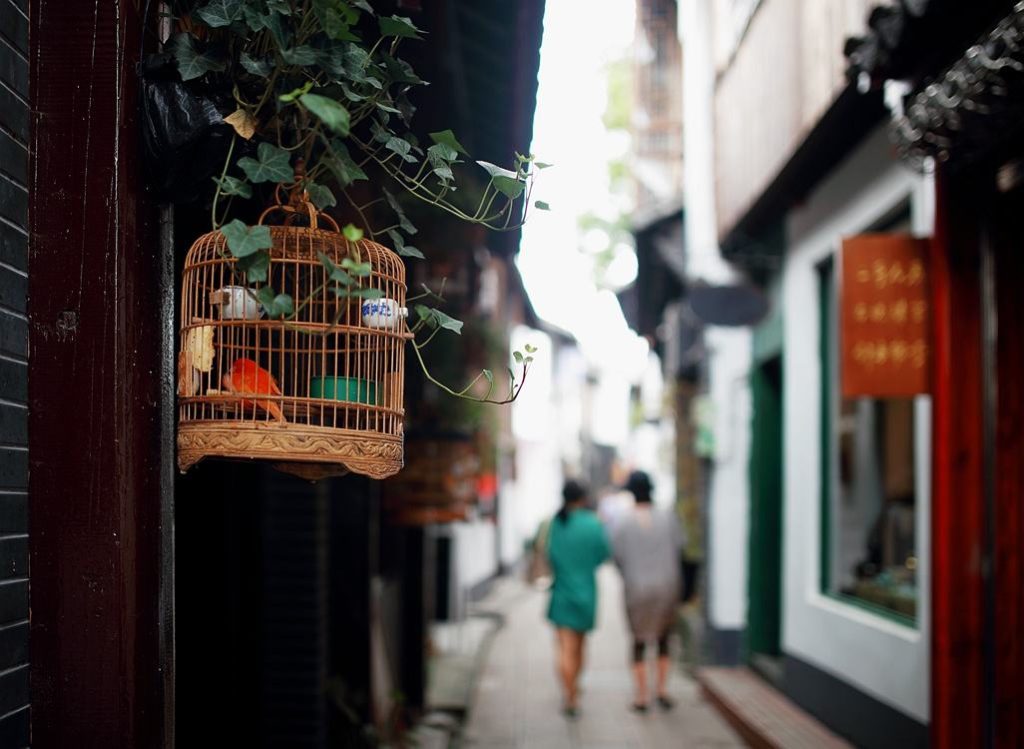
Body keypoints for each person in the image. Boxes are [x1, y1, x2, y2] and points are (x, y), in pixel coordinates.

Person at [611, 470, 683, 713]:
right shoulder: (668, 518)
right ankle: (661, 690)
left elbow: (617, 557)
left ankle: (641, 696)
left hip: (636, 588)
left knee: (638, 640)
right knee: (663, 639)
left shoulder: (622, 521)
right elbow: (679, 548)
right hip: (667, 586)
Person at [546, 479, 611, 718]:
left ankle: (569, 695)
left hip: (561, 591)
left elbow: (547, 553)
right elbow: (603, 554)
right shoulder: (593, 524)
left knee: (564, 647)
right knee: (581, 646)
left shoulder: (556, 523)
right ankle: (575, 688)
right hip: (586, 593)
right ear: (582, 498)